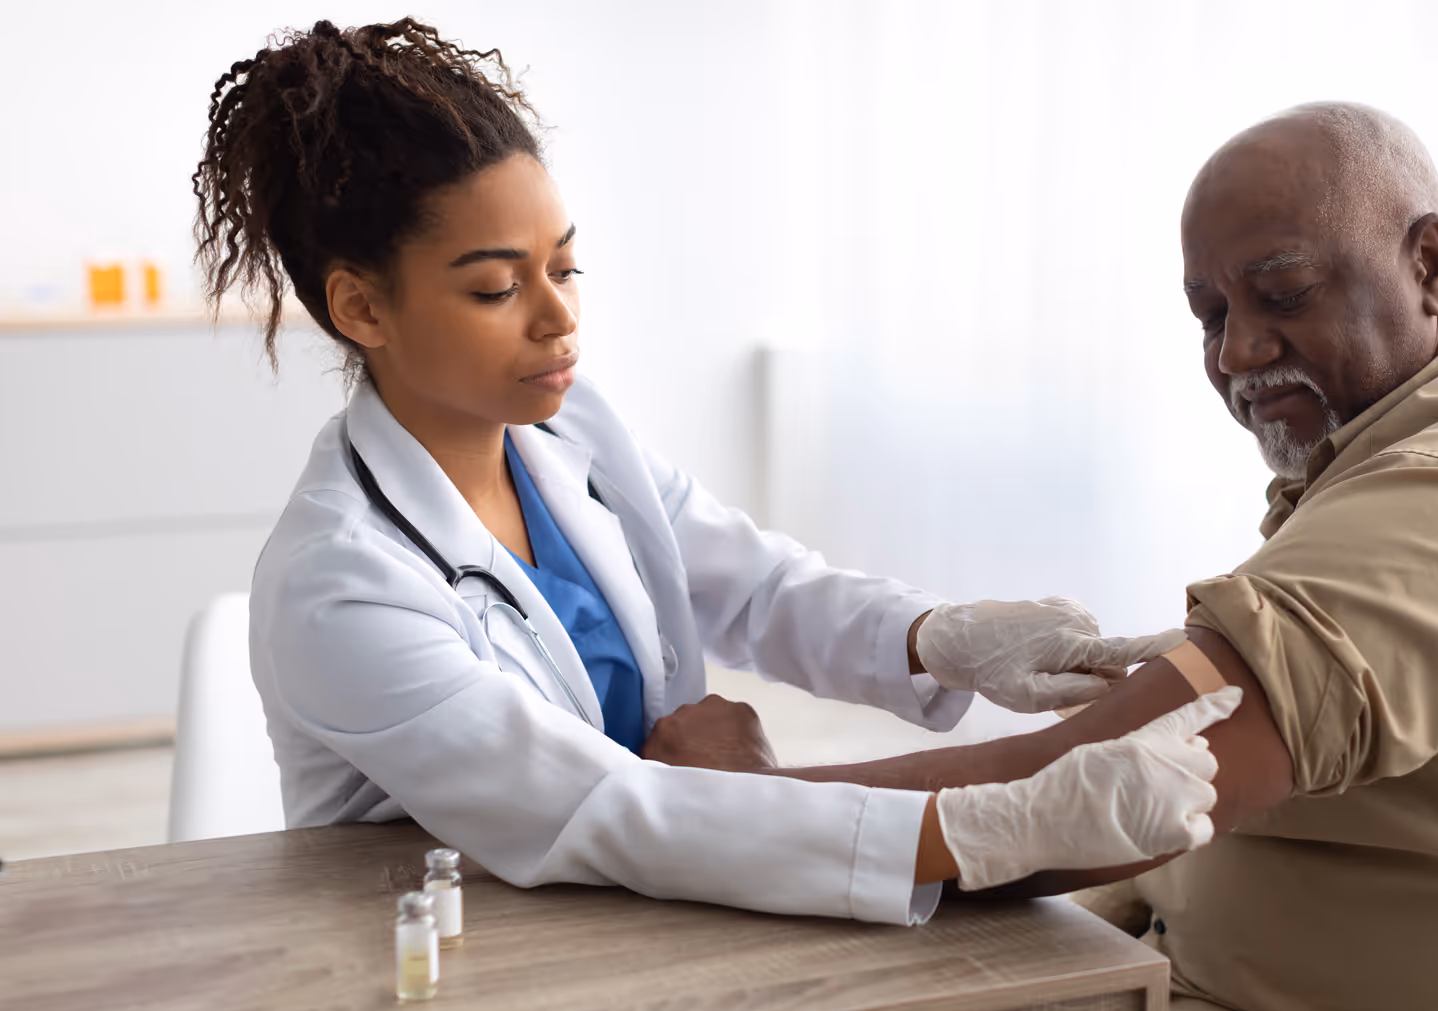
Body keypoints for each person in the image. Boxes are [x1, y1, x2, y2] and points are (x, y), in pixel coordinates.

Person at [656, 103, 1438, 1011]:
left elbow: (1091, 789)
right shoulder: (1403, 446)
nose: (1238, 351)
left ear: (1429, 265)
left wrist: (754, 800)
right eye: (1210, 313)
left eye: (1282, 294)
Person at [207, 19, 1228, 928]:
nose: (559, 317)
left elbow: (754, 584)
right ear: (362, 309)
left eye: (564, 267)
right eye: (494, 287)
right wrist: (981, 827)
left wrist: (938, 638)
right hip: (456, 956)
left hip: (644, 913)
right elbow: (599, 807)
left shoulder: (569, 432)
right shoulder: (338, 583)